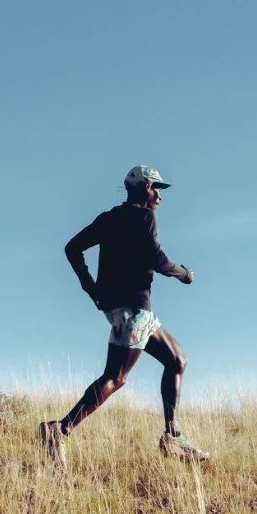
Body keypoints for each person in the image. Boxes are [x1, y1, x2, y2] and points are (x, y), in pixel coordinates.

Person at [41, 165, 208, 465]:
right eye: (156, 188)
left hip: (126, 310)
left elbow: (72, 248)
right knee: (115, 378)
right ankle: (60, 430)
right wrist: (184, 274)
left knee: (176, 360)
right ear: (144, 187)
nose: (159, 195)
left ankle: (172, 437)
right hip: (134, 310)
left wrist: (89, 288)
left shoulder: (109, 218)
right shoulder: (145, 217)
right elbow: (156, 259)